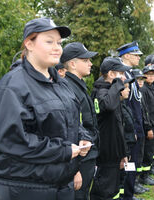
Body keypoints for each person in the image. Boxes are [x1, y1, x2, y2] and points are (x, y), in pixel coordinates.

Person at [0, 17, 92, 200]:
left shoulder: (61, 84)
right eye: (49, 41)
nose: (57, 48)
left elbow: (72, 121)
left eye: (59, 42)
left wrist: (82, 139)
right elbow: (12, 140)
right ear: (29, 44)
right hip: (26, 189)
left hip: (62, 185)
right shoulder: (12, 86)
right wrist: (63, 150)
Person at [60, 42, 99, 200]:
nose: (90, 63)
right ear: (73, 64)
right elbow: (69, 129)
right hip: (79, 160)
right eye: (86, 60)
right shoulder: (68, 87)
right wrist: (75, 169)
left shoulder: (78, 85)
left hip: (87, 156)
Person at [90, 57, 129, 200]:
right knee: (104, 192)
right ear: (111, 74)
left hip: (114, 152)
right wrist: (117, 84)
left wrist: (122, 153)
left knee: (113, 190)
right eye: (121, 73)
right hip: (105, 154)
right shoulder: (101, 91)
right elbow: (108, 105)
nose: (124, 78)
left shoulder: (110, 91)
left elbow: (118, 125)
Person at [117, 42, 148, 197]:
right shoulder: (120, 74)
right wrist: (130, 130)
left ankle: (129, 192)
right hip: (128, 128)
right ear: (127, 56)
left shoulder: (129, 74)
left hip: (135, 126)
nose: (138, 58)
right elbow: (123, 106)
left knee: (133, 163)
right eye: (136, 55)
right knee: (127, 163)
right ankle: (125, 194)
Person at [139, 65, 154, 186]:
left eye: (153, 74)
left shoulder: (152, 87)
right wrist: (149, 128)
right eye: (149, 74)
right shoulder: (144, 89)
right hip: (149, 126)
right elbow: (145, 110)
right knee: (146, 153)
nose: (151, 76)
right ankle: (143, 177)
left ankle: (146, 174)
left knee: (150, 151)